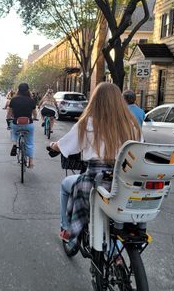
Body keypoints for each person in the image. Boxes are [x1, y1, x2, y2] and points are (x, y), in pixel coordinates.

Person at [49, 82, 141, 243]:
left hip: (97, 182)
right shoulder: (132, 125)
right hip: (125, 184)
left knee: (65, 185)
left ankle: (67, 229)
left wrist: (53, 146)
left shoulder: (88, 123)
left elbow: (65, 145)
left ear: (95, 100)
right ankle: (116, 257)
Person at [7, 83, 38, 168]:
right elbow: (35, 113)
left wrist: (8, 118)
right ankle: (31, 161)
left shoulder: (13, 100)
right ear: (28, 90)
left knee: (13, 131)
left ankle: (14, 143)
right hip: (28, 124)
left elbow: (9, 112)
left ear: (18, 90)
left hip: (16, 123)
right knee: (30, 142)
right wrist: (35, 118)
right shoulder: (31, 100)